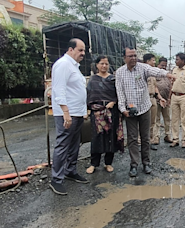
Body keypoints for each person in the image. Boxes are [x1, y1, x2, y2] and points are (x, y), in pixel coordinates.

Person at [115, 47, 175, 177]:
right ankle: (134, 165)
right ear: (124, 57)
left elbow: (154, 70)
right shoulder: (120, 72)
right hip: (130, 111)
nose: (133, 58)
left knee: (145, 137)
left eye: (135, 55)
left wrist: (167, 74)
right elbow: (120, 92)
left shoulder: (142, 68)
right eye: (130, 56)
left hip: (144, 107)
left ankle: (146, 163)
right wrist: (122, 109)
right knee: (132, 139)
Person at [50, 38, 88, 195]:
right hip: (67, 113)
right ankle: (56, 179)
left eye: (84, 50)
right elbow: (59, 90)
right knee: (63, 144)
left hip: (77, 113)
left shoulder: (74, 66)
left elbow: (77, 90)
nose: (83, 53)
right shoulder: (63, 64)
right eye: (80, 50)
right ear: (70, 49)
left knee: (74, 143)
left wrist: (83, 111)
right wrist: (66, 112)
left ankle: (70, 170)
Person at [85, 55, 124, 175]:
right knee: (96, 137)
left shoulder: (113, 79)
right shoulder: (93, 80)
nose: (104, 66)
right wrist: (88, 110)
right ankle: (94, 163)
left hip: (111, 112)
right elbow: (89, 96)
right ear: (97, 65)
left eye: (106, 64)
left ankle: (108, 163)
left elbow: (119, 94)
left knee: (110, 137)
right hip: (97, 113)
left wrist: (113, 102)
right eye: (101, 63)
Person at [143, 53, 166, 151]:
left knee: (152, 122)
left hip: (153, 98)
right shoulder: (142, 72)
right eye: (153, 60)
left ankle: (150, 141)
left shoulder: (152, 74)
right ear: (147, 61)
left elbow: (155, 87)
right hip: (144, 99)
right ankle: (141, 142)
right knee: (144, 122)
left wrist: (160, 98)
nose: (154, 62)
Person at [154, 57, 173, 144]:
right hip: (156, 100)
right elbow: (154, 87)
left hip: (166, 100)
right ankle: (156, 137)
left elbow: (170, 87)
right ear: (158, 65)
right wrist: (159, 97)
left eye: (165, 65)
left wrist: (169, 98)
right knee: (156, 119)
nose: (164, 67)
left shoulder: (167, 75)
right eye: (162, 65)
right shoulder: (154, 74)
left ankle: (167, 135)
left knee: (167, 118)